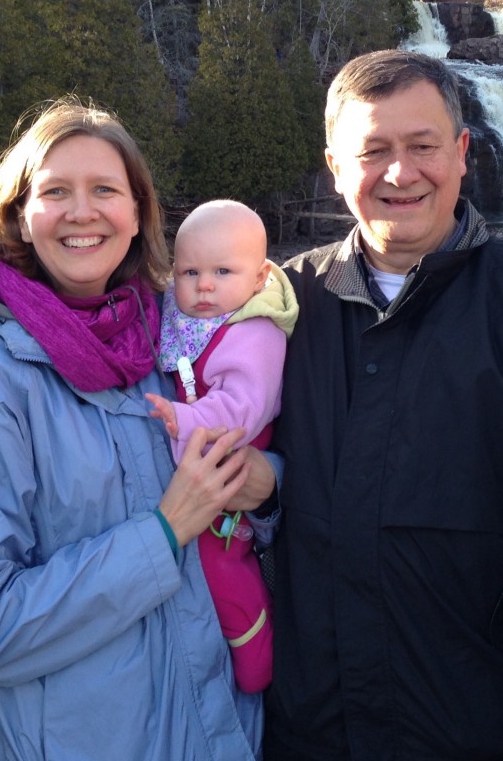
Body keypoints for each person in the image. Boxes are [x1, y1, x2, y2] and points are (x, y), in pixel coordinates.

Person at [264, 49, 503, 760]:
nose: (400, 173)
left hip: (479, 738)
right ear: (335, 165)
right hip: (306, 736)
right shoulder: (275, 311)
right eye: (373, 150)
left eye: (423, 147)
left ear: (463, 152)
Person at [0, 100, 276, 760]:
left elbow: (244, 515)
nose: (83, 212)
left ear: (137, 215)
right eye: (55, 192)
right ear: (21, 213)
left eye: (105, 190)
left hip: (223, 729)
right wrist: (162, 533)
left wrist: (268, 486)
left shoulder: (172, 345)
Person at [146, 199, 297, 693]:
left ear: (259, 278)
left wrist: (184, 419)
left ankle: (260, 670)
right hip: (198, 473)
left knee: (221, 569)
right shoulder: (186, 319)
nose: (204, 285)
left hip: (228, 472)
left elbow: (242, 411)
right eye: (189, 271)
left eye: (222, 271)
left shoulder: (255, 333)